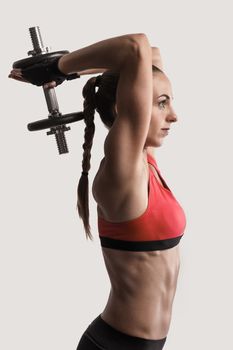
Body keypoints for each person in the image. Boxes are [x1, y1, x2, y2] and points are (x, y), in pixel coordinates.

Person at [9, 33, 186, 350]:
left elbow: (151, 56)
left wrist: (70, 71)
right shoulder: (124, 171)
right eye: (162, 103)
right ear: (126, 108)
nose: (174, 115)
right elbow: (135, 48)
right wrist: (57, 69)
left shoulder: (147, 161)